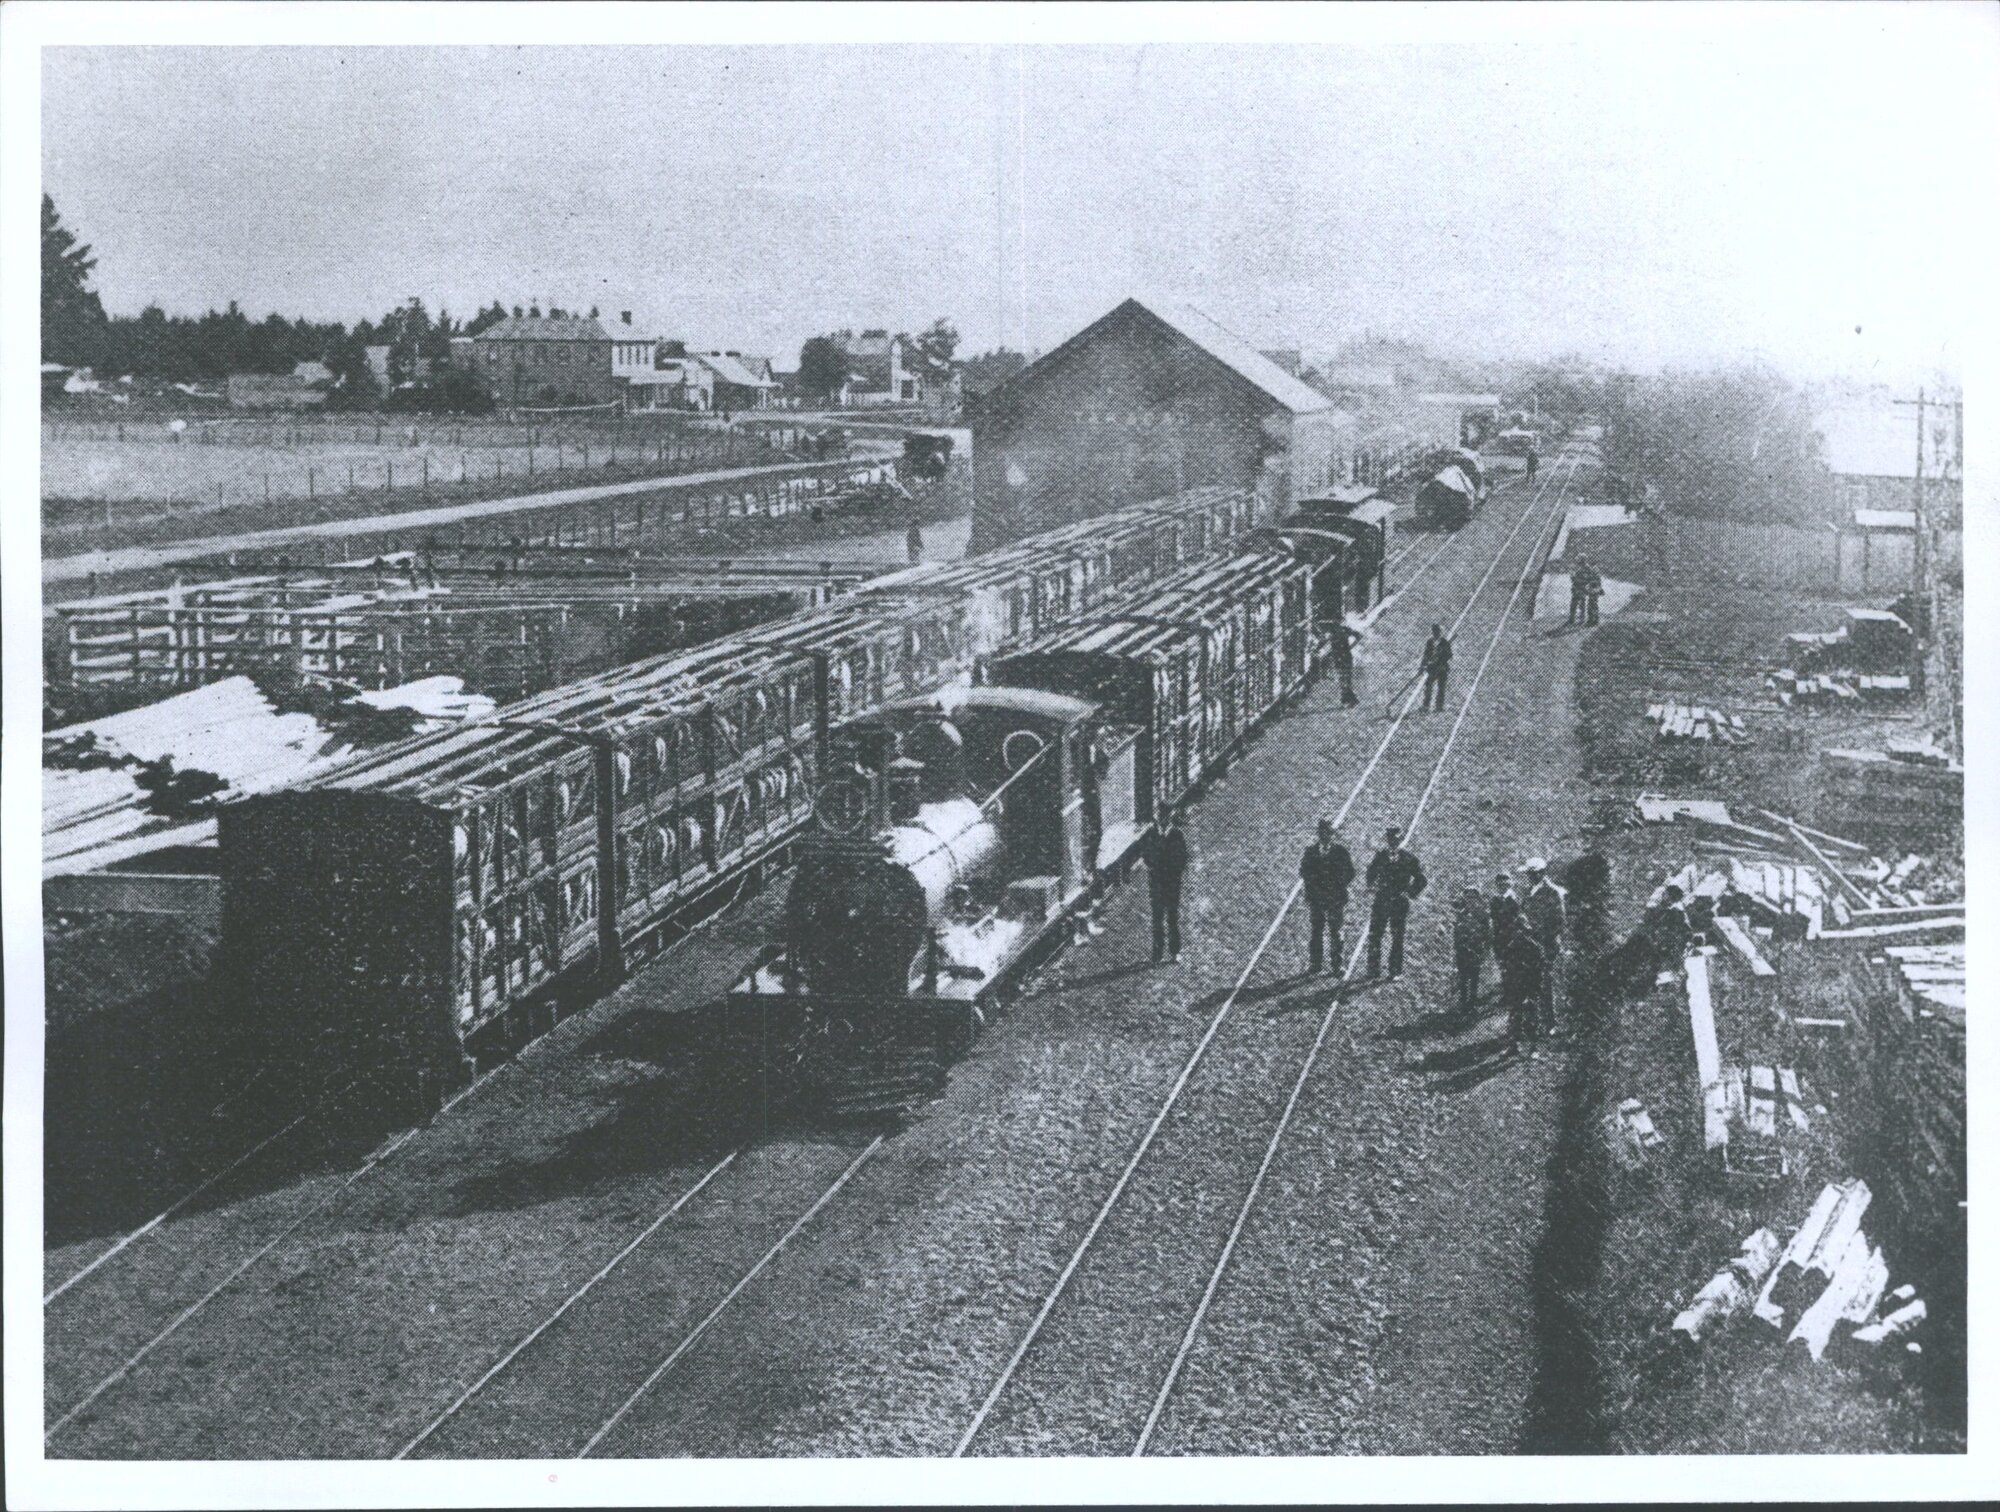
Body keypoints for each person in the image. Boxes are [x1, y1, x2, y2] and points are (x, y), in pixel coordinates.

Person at [1364, 825, 1427, 979]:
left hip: (1399, 903)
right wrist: (1372, 886)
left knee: (1397, 937)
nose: (1393, 842)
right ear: (1387, 840)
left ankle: (1395, 971)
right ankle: (1373, 970)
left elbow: (1421, 879)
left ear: (1401, 840)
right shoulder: (1380, 857)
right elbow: (1370, 873)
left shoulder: (1409, 858)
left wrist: (1409, 893)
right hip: (1382, 901)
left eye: (1396, 840)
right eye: (1391, 839)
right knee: (1375, 935)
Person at [1299, 819, 1356, 974]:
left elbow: (1350, 872)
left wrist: (1336, 885)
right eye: (1322, 833)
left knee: (1336, 931)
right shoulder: (1310, 852)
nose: (1325, 836)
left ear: (1332, 835)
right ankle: (1315, 964)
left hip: (1335, 899)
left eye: (1328, 833)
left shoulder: (1341, 852)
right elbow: (1304, 872)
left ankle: (1337, 965)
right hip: (1317, 899)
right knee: (1316, 931)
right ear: (1319, 834)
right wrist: (1316, 888)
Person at [1522, 858, 1568, 1039]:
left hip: (1547, 945)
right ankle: (1536, 1022)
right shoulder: (1528, 892)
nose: (1530, 877)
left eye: (1533, 874)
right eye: (1529, 874)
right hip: (1530, 944)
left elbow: (1559, 922)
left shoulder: (1553, 893)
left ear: (1541, 873)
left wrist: (1544, 940)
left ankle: (1552, 1023)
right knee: (1533, 983)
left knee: (1548, 983)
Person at [1146, 807, 1190, 965]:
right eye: (1160, 816)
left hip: (1171, 883)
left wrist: (1169, 869)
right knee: (1157, 920)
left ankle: (1175, 951)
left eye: (1165, 817)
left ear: (1169, 818)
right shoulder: (1151, 834)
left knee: (1172, 918)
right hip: (1157, 883)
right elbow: (1147, 856)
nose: (1162, 820)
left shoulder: (1177, 835)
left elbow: (1182, 858)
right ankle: (1157, 954)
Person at [1497, 915, 1547, 1056]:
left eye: (1522, 930)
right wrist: (1507, 987)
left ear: (1526, 931)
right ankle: (1513, 1046)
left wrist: (1536, 990)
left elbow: (1540, 971)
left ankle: (1533, 1048)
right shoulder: (1511, 947)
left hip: (1530, 987)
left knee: (1532, 1018)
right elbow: (1505, 969)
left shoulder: (1535, 948)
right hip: (1515, 987)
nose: (1519, 933)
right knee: (1514, 1018)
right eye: (1516, 930)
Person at [1451, 885, 1492, 1020]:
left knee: (1474, 978)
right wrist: (1458, 946)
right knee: (1462, 978)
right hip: (1463, 951)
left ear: (1478, 899)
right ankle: (1463, 1003)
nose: (1470, 901)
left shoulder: (1483, 915)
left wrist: (1484, 950)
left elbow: (1488, 934)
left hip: (1476, 950)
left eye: (1473, 898)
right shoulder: (1461, 914)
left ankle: (1472, 1004)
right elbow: (1456, 932)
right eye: (1468, 898)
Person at [1329, 615, 1362, 707]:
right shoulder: (1335, 631)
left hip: (1344, 656)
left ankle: (1349, 699)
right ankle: (1348, 698)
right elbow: (1358, 636)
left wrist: (1351, 646)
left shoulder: (1344, 630)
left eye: (1338, 622)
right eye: (1335, 622)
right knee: (1343, 678)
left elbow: (1359, 635)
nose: (1337, 624)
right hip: (1339, 657)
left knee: (1346, 678)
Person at [1419, 625, 1453, 713]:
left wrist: (1440, 657)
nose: (1436, 634)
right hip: (1432, 668)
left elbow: (1449, 655)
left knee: (1441, 688)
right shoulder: (1429, 642)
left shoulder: (1445, 642)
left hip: (1442, 668)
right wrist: (1422, 665)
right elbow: (1426, 654)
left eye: (1438, 632)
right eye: (1435, 632)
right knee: (1428, 687)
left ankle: (1439, 706)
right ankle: (1426, 706)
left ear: (1440, 633)